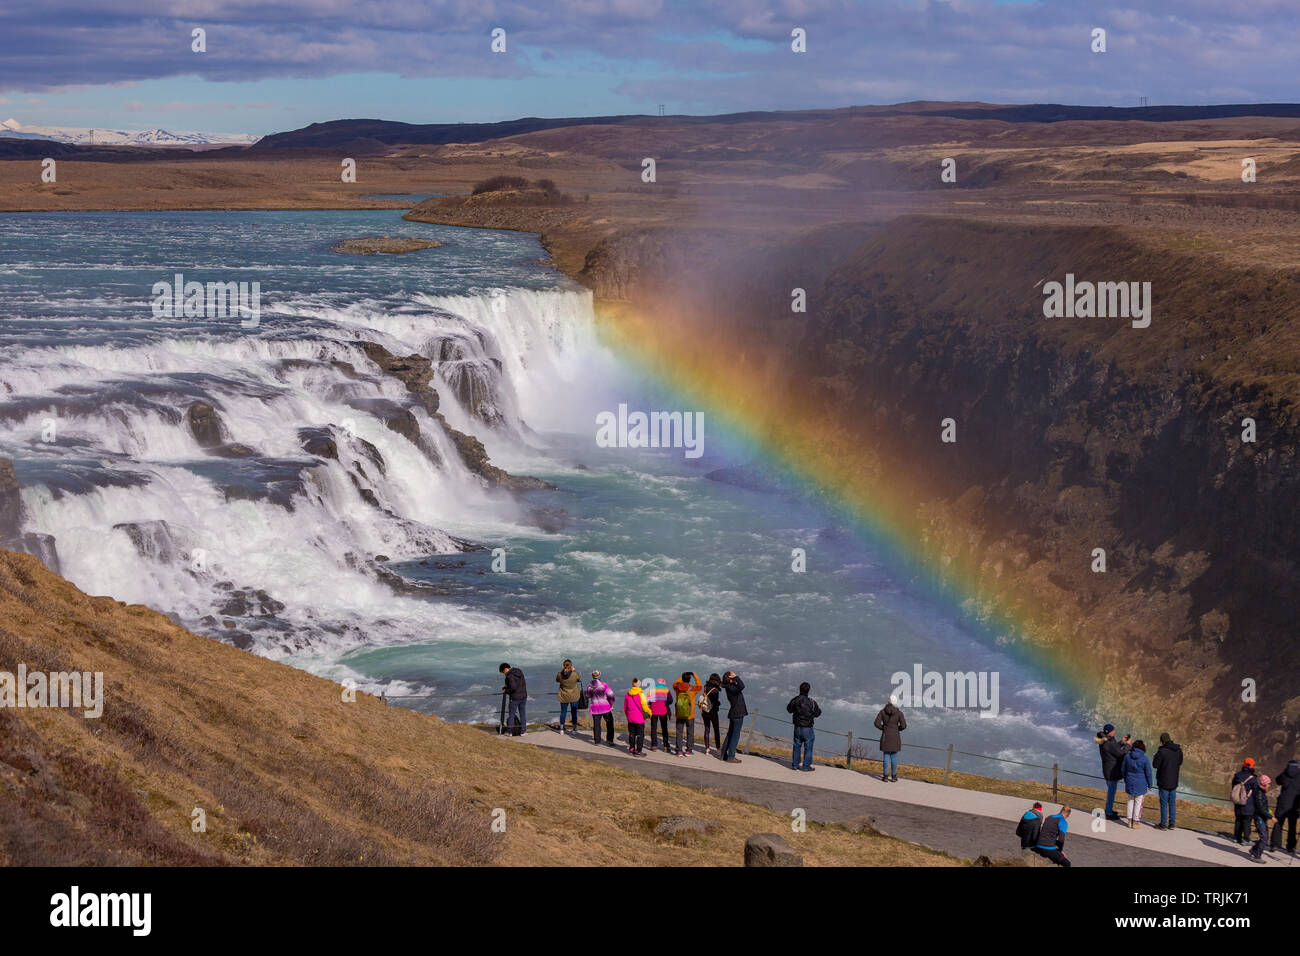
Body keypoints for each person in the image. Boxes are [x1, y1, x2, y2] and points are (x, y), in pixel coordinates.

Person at [1094, 724, 1131, 820]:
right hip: (1112, 772)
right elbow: (1121, 754)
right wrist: (1127, 745)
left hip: (1108, 770)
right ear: (1110, 732)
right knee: (1111, 793)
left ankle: (1109, 810)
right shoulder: (1108, 743)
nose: (1115, 731)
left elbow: (1114, 749)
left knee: (1111, 792)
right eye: (1113, 730)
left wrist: (1121, 742)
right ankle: (1108, 813)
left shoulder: (1105, 740)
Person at [786, 682, 822, 772]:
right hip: (808, 727)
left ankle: (795, 765)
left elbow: (789, 709)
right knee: (808, 746)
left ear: (800, 689)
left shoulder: (795, 700)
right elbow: (818, 713)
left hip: (797, 727)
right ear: (809, 690)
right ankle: (806, 766)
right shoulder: (812, 702)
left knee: (797, 745)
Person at [1151, 732, 1183, 830]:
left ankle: (1163, 824)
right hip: (1174, 781)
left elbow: (1155, 765)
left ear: (1162, 741)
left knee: (1164, 803)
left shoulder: (1162, 751)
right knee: (1172, 802)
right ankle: (1172, 824)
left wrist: (1156, 754)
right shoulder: (1178, 750)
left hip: (1164, 780)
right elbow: (1180, 762)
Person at [873, 694, 907, 782]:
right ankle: (894, 776)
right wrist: (897, 729)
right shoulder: (899, 713)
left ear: (888, 701)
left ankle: (885, 776)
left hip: (886, 736)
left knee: (886, 756)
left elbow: (876, 723)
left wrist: (883, 728)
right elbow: (903, 726)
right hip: (895, 737)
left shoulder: (882, 712)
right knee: (894, 757)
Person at [1269, 757, 1299, 854]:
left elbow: (1278, 780)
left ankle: (1274, 844)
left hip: (1282, 804)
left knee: (1278, 824)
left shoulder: (1285, 774)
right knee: (1292, 827)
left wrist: (1285, 771)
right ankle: (1291, 847)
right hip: (1294, 806)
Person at [1122, 739, 1153, 828]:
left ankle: (1129, 820)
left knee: (1130, 800)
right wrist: (1150, 785)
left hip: (1130, 781)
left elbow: (1123, 769)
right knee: (1138, 802)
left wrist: (1125, 779)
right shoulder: (1145, 758)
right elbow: (1148, 773)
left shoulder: (1127, 756)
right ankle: (1135, 822)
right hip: (1141, 783)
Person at [671, 671, 702, 756]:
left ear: (682, 679)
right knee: (690, 732)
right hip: (690, 714)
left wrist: (682, 675)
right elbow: (700, 687)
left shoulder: (677, 688)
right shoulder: (693, 689)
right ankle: (688, 750)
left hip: (679, 713)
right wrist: (696, 677)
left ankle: (679, 751)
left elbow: (674, 683)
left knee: (679, 732)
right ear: (690, 679)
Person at [721, 671, 747, 763]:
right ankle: (731, 756)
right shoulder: (732, 688)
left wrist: (734, 679)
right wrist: (736, 677)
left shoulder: (728, 687)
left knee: (730, 734)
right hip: (737, 713)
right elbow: (742, 686)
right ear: (730, 679)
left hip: (734, 713)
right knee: (735, 736)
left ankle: (723, 754)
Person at [1231, 758, 1259, 844]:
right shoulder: (1253, 778)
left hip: (1238, 801)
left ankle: (1237, 838)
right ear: (1252, 766)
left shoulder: (1237, 775)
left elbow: (1233, 787)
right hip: (1248, 803)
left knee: (1238, 820)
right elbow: (1256, 791)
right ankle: (1246, 839)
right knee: (1247, 821)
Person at [1248, 775, 1273, 862]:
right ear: (1264, 784)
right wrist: (1271, 817)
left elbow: (1263, 806)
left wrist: (1269, 812)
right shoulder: (1259, 793)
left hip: (1262, 818)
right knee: (1264, 838)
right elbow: (1260, 808)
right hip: (1259, 818)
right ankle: (1256, 856)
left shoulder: (1261, 792)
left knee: (1265, 837)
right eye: (1268, 784)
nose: (1269, 786)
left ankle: (1254, 850)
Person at [586, 670, 615, 746]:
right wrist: (611, 705)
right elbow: (611, 695)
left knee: (596, 724)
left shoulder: (589, 686)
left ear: (592, 676)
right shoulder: (604, 685)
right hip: (605, 707)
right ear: (600, 676)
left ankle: (597, 741)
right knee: (609, 723)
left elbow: (588, 695)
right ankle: (609, 740)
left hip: (595, 707)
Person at [623, 678, 651, 755]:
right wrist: (649, 714)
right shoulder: (641, 695)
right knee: (640, 735)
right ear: (639, 685)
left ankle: (631, 748)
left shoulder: (627, 694)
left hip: (630, 718)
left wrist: (627, 715)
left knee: (631, 733)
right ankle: (638, 751)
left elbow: (625, 707)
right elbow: (645, 707)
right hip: (639, 718)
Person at [499, 662, 527, 736]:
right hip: (523, 696)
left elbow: (513, 687)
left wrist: (506, 690)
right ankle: (523, 731)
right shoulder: (519, 671)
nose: (504, 674)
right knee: (522, 714)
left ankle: (509, 732)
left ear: (506, 669)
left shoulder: (509, 676)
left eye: (503, 672)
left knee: (511, 715)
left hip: (515, 698)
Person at [555, 659, 581, 734]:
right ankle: (574, 729)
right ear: (571, 666)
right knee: (574, 712)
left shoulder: (559, 674)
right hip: (574, 696)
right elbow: (579, 679)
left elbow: (557, 680)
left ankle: (561, 729)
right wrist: (574, 671)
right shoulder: (574, 674)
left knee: (563, 712)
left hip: (563, 696)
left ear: (563, 666)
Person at [699, 674, 723, 757]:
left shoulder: (706, 686)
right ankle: (718, 748)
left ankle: (707, 749)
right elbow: (715, 702)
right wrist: (719, 702)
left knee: (707, 728)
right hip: (712, 711)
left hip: (704, 710)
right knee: (716, 729)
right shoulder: (715, 690)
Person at [647, 677, 672, 751]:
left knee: (653, 728)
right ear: (663, 682)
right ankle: (666, 746)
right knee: (664, 728)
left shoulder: (652, 689)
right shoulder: (666, 689)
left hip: (653, 711)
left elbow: (647, 700)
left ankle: (654, 745)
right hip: (663, 711)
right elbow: (670, 700)